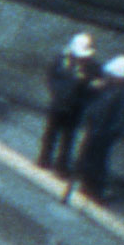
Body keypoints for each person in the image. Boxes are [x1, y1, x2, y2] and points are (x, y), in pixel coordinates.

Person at [70, 50, 124, 200]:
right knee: (87, 158)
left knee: (97, 161)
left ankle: (95, 190)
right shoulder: (109, 88)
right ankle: (86, 185)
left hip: (103, 134)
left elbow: (122, 120)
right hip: (95, 129)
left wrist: (107, 133)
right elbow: (96, 104)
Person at [37, 31, 99, 175]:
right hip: (59, 104)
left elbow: (95, 88)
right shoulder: (61, 60)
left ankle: (62, 165)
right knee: (51, 134)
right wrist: (57, 92)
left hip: (75, 107)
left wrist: (84, 96)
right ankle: (44, 159)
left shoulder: (93, 67)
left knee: (68, 138)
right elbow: (51, 77)